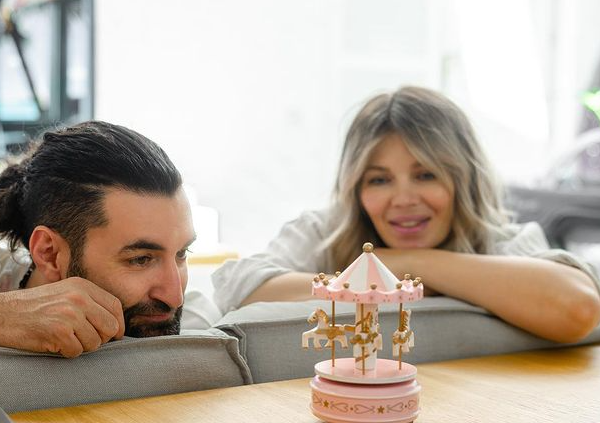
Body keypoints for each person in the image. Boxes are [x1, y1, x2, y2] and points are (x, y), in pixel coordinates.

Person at [213, 86, 600, 343]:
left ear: (464, 180)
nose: (403, 199)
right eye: (379, 180)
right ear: (356, 188)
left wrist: (410, 263)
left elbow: (578, 306)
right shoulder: (325, 230)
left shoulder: (500, 240)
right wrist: (379, 276)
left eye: (426, 174)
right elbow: (240, 290)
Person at [0, 121, 196, 357]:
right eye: (141, 259)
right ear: (49, 253)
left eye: (182, 253)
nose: (175, 296)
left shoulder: (190, 314)